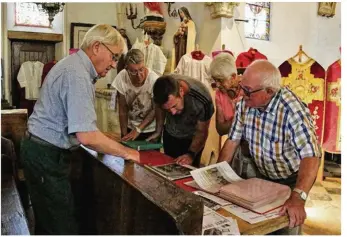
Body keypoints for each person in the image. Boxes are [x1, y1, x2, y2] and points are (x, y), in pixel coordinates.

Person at [20, 24, 140, 235]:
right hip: (45, 154)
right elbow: (86, 136)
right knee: (61, 225)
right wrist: (127, 152)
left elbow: (83, 125)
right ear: (96, 47)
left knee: (49, 220)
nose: (114, 64)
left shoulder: (75, 66)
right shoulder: (77, 74)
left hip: (42, 150)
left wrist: (106, 138)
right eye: (114, 57)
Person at [218, 60, 321, 235]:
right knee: (256, 228)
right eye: (242, 88)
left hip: (290, 181)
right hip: (260, 177)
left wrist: (298, 197)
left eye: (248, 91)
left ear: (269, 91)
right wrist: (216, 174)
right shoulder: (246, 103)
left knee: (284, 228)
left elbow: (311, 156)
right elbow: (232, 141)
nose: (243, 95)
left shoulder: (292, 110)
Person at [147, 74, 214, 167]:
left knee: (188, 173)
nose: (172, 113)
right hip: (171, 134)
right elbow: (159, 107)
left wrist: (191, 154)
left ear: (181, 91)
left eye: (174, 106)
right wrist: (158, 130)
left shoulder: (202, 100)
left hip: (193, 140)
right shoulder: (161, 89)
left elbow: (201, 132)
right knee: (168, 168)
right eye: (167, 109)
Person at [112, 49, 158, 141]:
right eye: (133, 71)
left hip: (149, 129)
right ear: (127, 68)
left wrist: (138, 129)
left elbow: (155, 109)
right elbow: (123, 109)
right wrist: (124, 135)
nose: (139, 75)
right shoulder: (122, 77)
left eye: (141, 69)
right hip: (131, 127)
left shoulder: (153, 80)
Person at [209, 52, 242, 136]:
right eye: (215, 80)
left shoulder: (248, 88)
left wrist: (229, 122)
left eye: (220, 80)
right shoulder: (219, 94)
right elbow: (220, 129)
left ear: (233, 77)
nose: (217, 85)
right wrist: (242, 117)